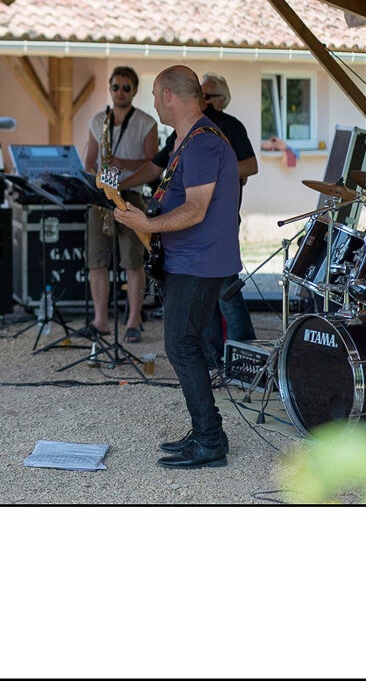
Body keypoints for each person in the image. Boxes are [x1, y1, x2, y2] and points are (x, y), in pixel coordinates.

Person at [113, 65, 242, 469]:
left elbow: (196, 208)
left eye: (155, 95)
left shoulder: (202, 143)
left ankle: (210, 440)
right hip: (189, 258)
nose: (153, 103)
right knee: (187, 345)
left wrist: (148, 224)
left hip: (199, 261)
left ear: (169, 94)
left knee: (181, 346)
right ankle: (208, 432)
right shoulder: (187, 140)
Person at [120, 72, 258, 367]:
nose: (202, 100)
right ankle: (211, 358)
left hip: (212, 228)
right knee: (201, 313)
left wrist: (213, 174)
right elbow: (156, 166)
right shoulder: (184, 131)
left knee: (226, 293)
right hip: (185, 232)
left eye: (207, 95)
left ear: (221, 100)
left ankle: (246, 357)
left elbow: (251, 165)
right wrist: (122, 185)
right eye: (200, 93)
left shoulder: (224, 129)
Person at [81, 66, 158, 342]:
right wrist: (99, 175)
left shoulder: (146, 123)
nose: (120, 92)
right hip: (101, 198)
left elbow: (154, 164)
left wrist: (123, 164)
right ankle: (100, 320)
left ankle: (133, 320)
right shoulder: (98, 120)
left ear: (135, 90)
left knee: (132, 262)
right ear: (110, 88)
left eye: (126, 88)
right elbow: (89, 162)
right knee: (96, 261)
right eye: (116, 87)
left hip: (130, 196)